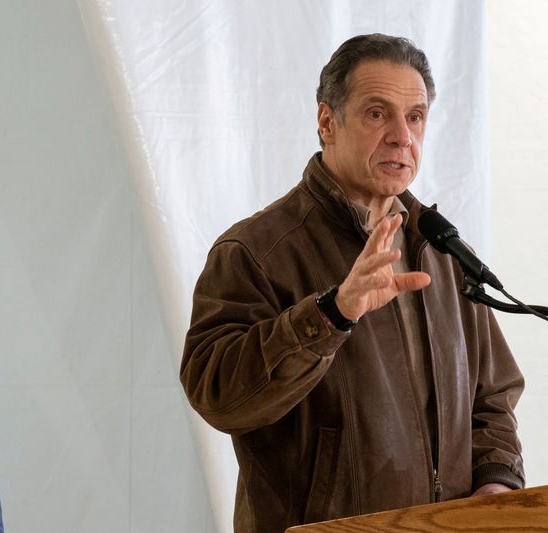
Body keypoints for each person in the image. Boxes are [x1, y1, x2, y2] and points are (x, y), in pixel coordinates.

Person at [180, 33, 524, 532]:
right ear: (327, 122)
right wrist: (331, 314)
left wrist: (496, 482)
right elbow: (219, 396)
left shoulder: (441, 250)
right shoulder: (256, 251)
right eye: (377, 113)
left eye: (415, 116)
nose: (402, 137)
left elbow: (493, 393)